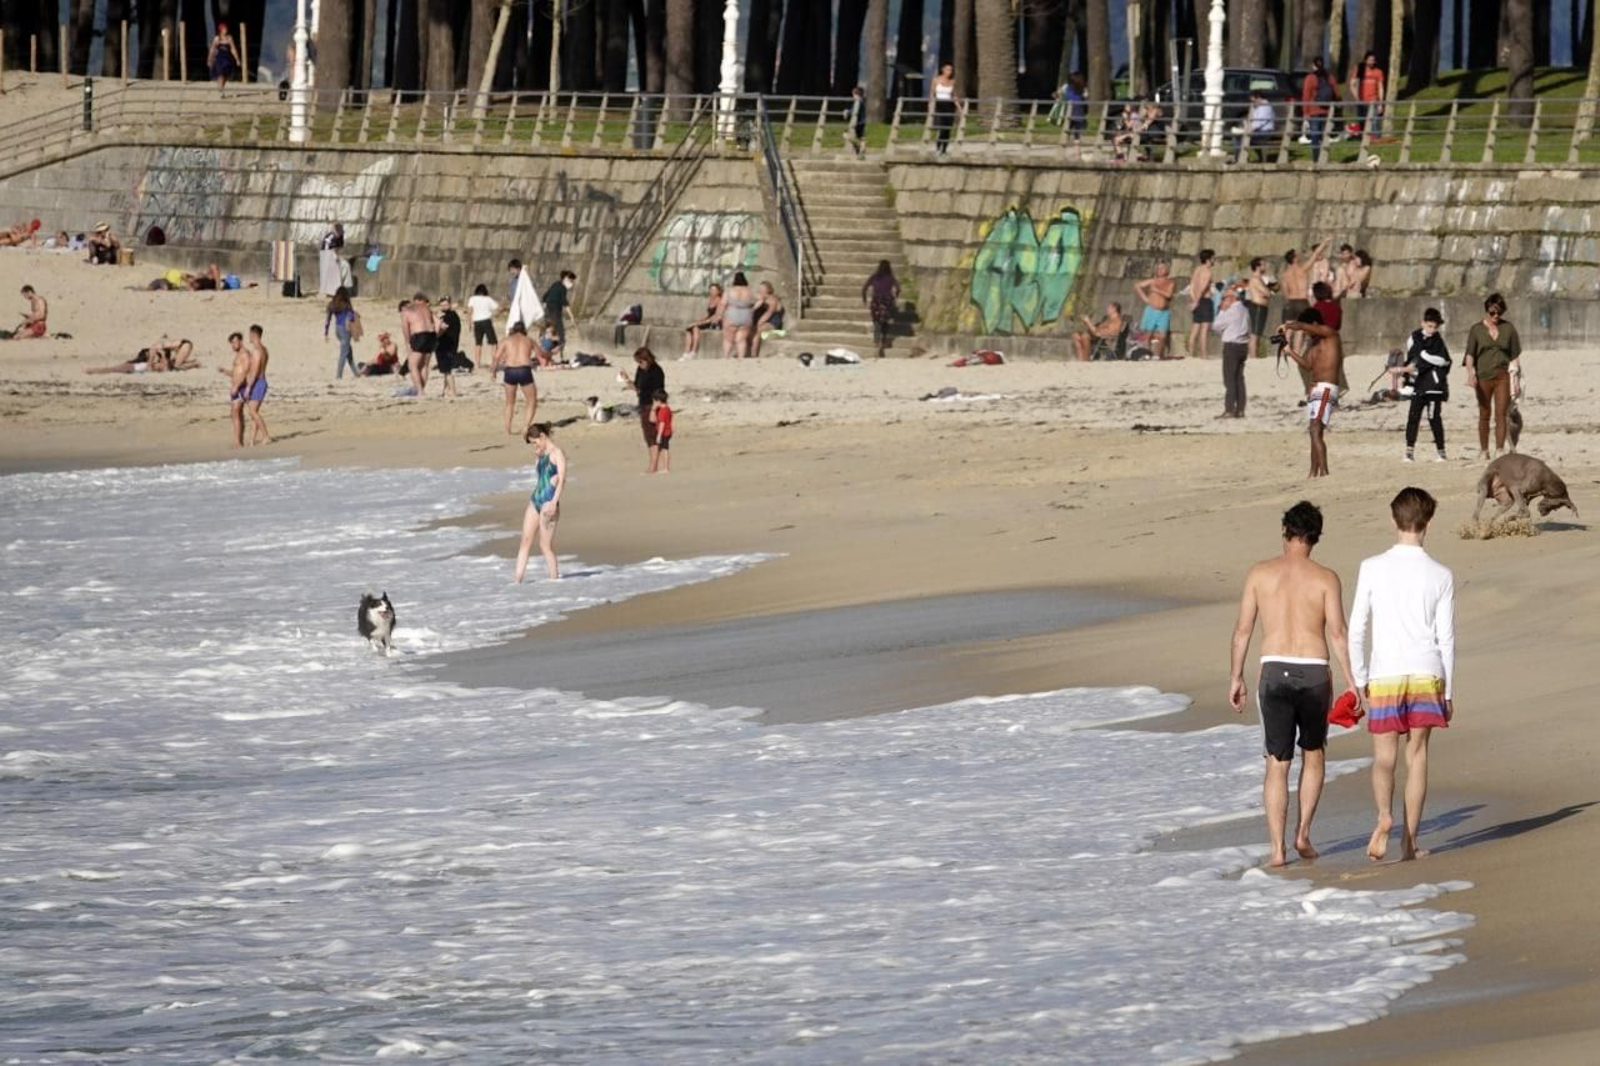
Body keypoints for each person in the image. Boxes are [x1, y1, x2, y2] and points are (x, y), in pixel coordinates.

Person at [1228, 500, 1358, 868]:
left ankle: (1276, 849)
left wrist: (1236, 676)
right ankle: (1303, 833)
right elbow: (1338, 634)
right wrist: (1353, 682)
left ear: (1285, 533)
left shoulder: (1259, 573)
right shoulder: (1326, 578)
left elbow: (1242, 632)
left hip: (1274, 670)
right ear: (1315, 539)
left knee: (1277, 761)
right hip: (1315, 670)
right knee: (1313, 753)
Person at [1348, 487, 1455, 862]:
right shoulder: (1441, 574)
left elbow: (1357, 626)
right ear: (1428, 522)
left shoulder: (1372, 567)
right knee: (1418, 755)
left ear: (1394, 520)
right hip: (1426, 670)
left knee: (1384, 757)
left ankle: (1384, 815)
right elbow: (1447, 638)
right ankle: (1409, 841)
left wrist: (1359, 680)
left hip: (1386, 672)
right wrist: (1449, 690)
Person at [1280, 308, 1344, 478]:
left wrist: (1289, 325)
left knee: (1315, 429)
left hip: (1326, 388)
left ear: (1314, 324)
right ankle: (1313, 471)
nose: (1306, 333)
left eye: (1308, 328)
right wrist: (1289, 351)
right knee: (1315, 432)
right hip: (1316, 390)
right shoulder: (1314, 345)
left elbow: (1303, 326)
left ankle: (1324, 471)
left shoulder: (1330, 335)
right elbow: (1307, 365)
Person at [1463, 292, 1522, 459]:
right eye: (1492, 313)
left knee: (1501, 413)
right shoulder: (1476, 330)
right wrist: (1470, 374)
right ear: (1486, 311)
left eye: (1499, 313)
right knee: (1484, 413)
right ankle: (1483, 450)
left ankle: (1499, 449)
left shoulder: (1508, 329)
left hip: (1503, 376)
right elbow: (1469, 355)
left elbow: (1515, 355)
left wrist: (1516, 380)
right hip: (1483, 376)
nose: (1496, 316)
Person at [514, 423, 566, 584]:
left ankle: (554, 580)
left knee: (545, 545)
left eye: (535, 442)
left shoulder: (557, 453)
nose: (535, 445)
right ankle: (517, 581)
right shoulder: (541, 453)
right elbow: (540, 475)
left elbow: (562, 480)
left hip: (549, 502)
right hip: (535, 500)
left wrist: (554, 502)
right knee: (525, 541)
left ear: (543, 437)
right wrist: (537, 456)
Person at [1401, 308, 1451, 462]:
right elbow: (1411, 359)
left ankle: (1441, 451)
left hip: (1434, 387)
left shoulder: (1438, 341)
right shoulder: (1414, 338)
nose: (1432, 330)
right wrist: (1407, 378)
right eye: (1429, 326)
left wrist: (1425, 356)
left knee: (1434, 417)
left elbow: (1445, 361)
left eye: (1435, 327)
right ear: (1423, 323)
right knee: (1413, 417)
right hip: (1418, 384)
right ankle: (1409, 451)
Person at [491, 321, 539, 436]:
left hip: (510, 371)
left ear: (513, 329)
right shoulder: (529, 340)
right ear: (524, 330)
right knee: (531, 400)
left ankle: (507, 430)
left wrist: (493, 372)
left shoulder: (506, 340)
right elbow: (540, 353)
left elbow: (496, 358)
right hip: (524, 370)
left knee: (509, 403)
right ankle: (525, 427)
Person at [622, 347, 666, 471]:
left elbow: (659, 392)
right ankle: (654, 465)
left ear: (647, 359)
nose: (639, 365)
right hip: (643, 405)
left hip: (653, 406)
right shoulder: (640, 370)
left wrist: (654, 410)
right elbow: (638, 388)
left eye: (641, 362)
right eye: (638, 362)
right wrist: (626, 380)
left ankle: (654, 466)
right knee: (649, 437)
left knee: (654, 436)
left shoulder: (656, 371)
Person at [1212, 286, 1251, 417]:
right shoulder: (1244, 309)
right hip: (1243, 346)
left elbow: (1216, 326)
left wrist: (1222, 311)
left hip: (1232, 347)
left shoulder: (1231, 311)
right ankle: (1240, 409)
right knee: (1239, 379)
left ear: (1231, 298)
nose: (1222, 301)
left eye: (1224, 298)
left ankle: (1229, 409)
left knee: (1229, 380)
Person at [1133, 261, 1176, 359]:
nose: (1160, 270)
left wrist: (1156, 290)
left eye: (1162, 268)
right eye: (1158, 268)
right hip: (1152, 310)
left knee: (1162, 335)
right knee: (1148, 334)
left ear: (1167, 270)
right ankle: (1147, 354)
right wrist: (1146, 299)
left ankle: (1156, 355)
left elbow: (1169, 294)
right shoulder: (1152, 281)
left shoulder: (1170, 282)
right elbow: (1137, 286)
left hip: (1164, 312)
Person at [400, 293, 435, 397]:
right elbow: (434, 323)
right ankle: (421, 390)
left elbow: (405, 328)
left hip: (420, 335)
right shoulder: (427, 309)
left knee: (412, 365)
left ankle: (420, 391)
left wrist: (408, 342)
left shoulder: (406, 310)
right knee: (424, 365)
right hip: (431, 336)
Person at [862, 260, 900, 357]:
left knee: (876, 323)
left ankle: (876, 343)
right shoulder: (890, 277)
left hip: (876, 302)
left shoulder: (875, 276)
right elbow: (898, 288)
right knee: (885, 323)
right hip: (886, 302)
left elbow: (864, 288)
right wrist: (896, 296)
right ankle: (883, 342)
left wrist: (865, 299)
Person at [242, 324, 271, 446]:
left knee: (252, 412)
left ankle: (266, 436)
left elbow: (255, 370)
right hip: (261, 382)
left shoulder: (256, 351)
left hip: (257, 383)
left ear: (254, 335)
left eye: (249, 334)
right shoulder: (264, 350)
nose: (248, 337)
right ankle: (252, 440)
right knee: (254, 412)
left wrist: (248, 387)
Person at [1300, 58, 1337, 148]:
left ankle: (1316, 157)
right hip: (1327, 110)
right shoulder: (1329, 77)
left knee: (1315, 135)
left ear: (1313, 65)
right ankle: (1324, 157)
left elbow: (1306, 96)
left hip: (1313, 110)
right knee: (1326, 135)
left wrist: (1305, 112)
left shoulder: (1310, 78)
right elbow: (1336, 93)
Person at [1185, 250, 1215, 359]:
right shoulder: (1207, 272)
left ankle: (1190, 354)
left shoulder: (1197, 269)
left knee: (1194, 329)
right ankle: (1204, 355)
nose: (1214, 260)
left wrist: (1193, 300)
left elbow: (1192, 286)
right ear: (1208, 259)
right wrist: (1197, 301)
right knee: (1204, 330)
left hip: (1197, 300)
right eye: (1213, 258)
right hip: (1204, 302)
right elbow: (1202, 288)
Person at [1231, 90, 1277, 160]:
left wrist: (1247, 130)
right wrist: (1252, 109)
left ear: (1258, 97)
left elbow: (1258, 123)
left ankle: (1239, 158)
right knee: (1238, 137)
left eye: (1253, 101)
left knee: (1240, 138)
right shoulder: (1257, 107)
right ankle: (1239, 157)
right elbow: (1251, 119)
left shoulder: (1265, 107)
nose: (1252, 103)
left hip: (1265, 132)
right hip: (1258, 131)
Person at [681, 283, 723, 360]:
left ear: (718, 291)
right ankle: (686, 352)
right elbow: (707, 315)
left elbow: (715, 317)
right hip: (708, 321)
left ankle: (693, 352)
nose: (712, 291)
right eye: (711, 290)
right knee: (688, 329)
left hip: (715, 323)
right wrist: (698, 320)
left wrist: (697, 323)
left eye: (714, 290)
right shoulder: (711, 300)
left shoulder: (720, 301)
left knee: (695, 328)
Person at [324, 286, 359, 378]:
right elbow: (351, 315)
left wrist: (326, 332)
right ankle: (339, 375)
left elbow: (328, 319)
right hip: (345, 329)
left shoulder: (332, 304)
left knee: (348, 351)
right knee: (344, 353)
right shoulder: (346, 303)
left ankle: (356, 373)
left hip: (337, 329)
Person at [1243, 257, 1273, 361]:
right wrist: (1268, 291)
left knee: (1257, 334)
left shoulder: (1260, 279)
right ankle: (1252, 357)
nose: (1265, 267)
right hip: (1257, 307)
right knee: (1254, 334)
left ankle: (1254, 355)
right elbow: (1267, 293)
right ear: (1257, 267)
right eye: (1263, 265)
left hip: (1262, 307)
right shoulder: (1255, 279)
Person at [721, 272, 756, 359]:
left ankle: (726, 357)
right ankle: (741, 358)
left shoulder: (729, 290)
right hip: (746, 314)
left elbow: (722, 304)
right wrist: (753, 308)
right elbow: (761, 298)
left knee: (728, 338)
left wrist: (719, 315)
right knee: (741, 339)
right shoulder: (750, 290)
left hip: (732, 313)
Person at [434, 295, 464, 397]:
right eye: (441, 305)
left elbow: (443, 328)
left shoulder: (450, 316)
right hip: (449, 346)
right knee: (445, 370)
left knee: (447, 371)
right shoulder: (451, 315)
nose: (443, 306)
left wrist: (435, 336)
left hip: (446, 346)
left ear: (450, 304)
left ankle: (453, 392)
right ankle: (445, 391)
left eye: (445, 304)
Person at [541, 270, 576, 352]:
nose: (572, 283)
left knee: (548, 332)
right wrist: (571, 316)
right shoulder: (563, 288)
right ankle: (560, 354)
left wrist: (545, 308)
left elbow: (545, 296)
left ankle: (545, 350)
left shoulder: (555, 284)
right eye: (571, 281)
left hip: (547, 312)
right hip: (555, 313)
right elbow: (565, 302)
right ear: (566, 279)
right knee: (561, 335)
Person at [506, 258, 544, 333]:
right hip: (515, 307)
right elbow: (511, 294)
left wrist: (527, 273)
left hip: (523, 307)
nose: (511, 272)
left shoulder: (525, 279)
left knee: (522, 327)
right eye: (510, 270)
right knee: (513, 326)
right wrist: (509, 297)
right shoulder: (512, 281)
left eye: (512, 269)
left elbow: (530, 289)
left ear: (518, 268)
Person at [1354, 52, 1386, 138]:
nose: (1372, 62)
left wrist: (1380, 103)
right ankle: (1363, 140)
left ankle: (1376, 139)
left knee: (1375, 122)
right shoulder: (1360, 70)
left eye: (1373, 60)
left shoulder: (1378, 72)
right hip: (1362, 102)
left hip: (1374, 101)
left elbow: (1380, 87)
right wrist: (1357, 98)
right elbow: (1353, 84)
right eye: (1370, 60)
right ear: (1365, 60)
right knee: (1363, 122)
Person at [467, 283, 500, 365]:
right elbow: (498, 308)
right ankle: (493, 362)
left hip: (477, 322)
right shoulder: (488, 299)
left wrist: (469, 323)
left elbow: (469, 311)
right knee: (493, 342)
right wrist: (496, 314)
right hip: (486, 321)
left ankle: (477, 363)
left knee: (478, 343)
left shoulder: (472, 299)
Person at [751, 281, 785, 359]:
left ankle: (753, 355)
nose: (760, 290)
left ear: (768, 290)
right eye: (759, 288)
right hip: (765, 321)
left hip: (773, 322)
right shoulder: (763, 299)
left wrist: (759, 323)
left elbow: (768, 314)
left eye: (762, 288)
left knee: (757, 332)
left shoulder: (773, 300)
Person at [932, 63, 958, 156]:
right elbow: (932, 94)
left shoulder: (952, 81)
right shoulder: (936, 80)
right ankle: (938, 148)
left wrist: (959, 107)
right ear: (943, 70)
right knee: (941, 128)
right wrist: (930, 106)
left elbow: (954, 95)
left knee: (948, 129)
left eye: (951, 70)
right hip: (940, 104)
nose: (949, 72)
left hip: (949, 105)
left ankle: (944, 149)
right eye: (948, 70)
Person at [208, 22, 240, 90]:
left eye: (226, 29)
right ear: (221, 30)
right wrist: (209, 59)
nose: (226, 30)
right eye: (224, 29)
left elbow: (233, 49)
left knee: (226, 75)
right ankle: (221, 89)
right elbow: (212, 49)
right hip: (219, 58)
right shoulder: (217, 38)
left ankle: (221, 87)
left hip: (227, 58)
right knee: (220, 74)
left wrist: (237, 59)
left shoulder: (229, 38)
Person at [318, 223, 346, 297]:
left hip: (334, 253)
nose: (339, 235)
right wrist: (334, 256)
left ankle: (334, 291)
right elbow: (327, 249)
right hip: (326, 254)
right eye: (338, 233)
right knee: (326, 273)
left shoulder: (341, 236)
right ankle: (325, 291)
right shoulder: (330, 237)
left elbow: (340, 246)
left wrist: (337, 255)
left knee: (336, 273)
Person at [649, 389, 674, 474]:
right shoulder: (667, 409)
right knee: (663, 448)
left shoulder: (662, 411)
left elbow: (662, 423)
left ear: (658, 401)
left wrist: (659, 435)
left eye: (655, 401)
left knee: (664, 449)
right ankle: (663, 467)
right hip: (668, 431)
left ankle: (666, 468)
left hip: (664, 432)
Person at [848, 85, 867, 156]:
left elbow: (854, 111)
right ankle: (861, 152)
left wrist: (847, 112)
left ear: (856, 95)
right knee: (862, 138)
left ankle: (857, 147)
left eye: (853, 95)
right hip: (862, 122)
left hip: (857, 123)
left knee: (845, 134)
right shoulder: (861, 101)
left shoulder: (858, 102)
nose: (853, 96)